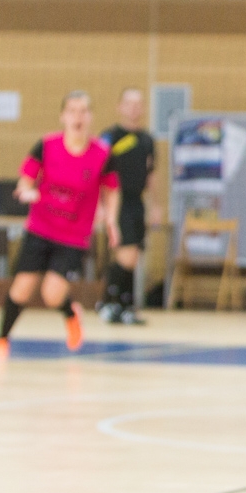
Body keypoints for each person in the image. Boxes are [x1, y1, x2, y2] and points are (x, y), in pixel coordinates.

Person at [0, 92, 120, 365]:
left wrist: (111, 219)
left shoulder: (102, 154)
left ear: (90, 116)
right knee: (21, 289)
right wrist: (26, 190)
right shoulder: (47, 145)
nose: (78, 117)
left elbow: (112, 190)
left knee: (52, 294)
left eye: (83, 111)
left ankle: (70, 315)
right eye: (72, 111)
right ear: (63, 116)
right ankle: (1, 340)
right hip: (40, 227)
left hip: (73, 235)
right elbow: (26, 179)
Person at [98, 88, 158, 326]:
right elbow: (98, 172)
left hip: (137, 201)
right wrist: (100, 205)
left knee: (134, 255)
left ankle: (118, 304)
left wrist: (155, 205)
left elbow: (151, 174)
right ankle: (114, 302)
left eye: (138, 104)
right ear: (120, 107)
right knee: (126, 253)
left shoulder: (147, 140)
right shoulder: (109, 137)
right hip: (117, 200)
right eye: (129, 104)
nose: (134, 108)